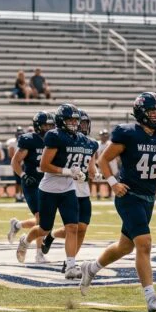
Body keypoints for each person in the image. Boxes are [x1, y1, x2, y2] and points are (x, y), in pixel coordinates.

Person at [80, 92, 156, 312]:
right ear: (141, 113)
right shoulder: (128, 134)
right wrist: (113, 183)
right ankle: (151, 297)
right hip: (128, 196)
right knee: (144, 243)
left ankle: (91, 268)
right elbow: (104, 159)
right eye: (152, 111)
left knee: (125, 246)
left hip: (149, 197)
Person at [27, 104, 86, 279]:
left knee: (72, 227)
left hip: (68, 189)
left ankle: (70, 266)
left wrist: (81, 173)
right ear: (61, 121)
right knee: (44, 229)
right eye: (70, 120)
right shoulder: (55, 136)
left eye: (76, 120)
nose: (74, 123)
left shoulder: (80, 139)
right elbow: (44, 165)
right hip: (49, 189)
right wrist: (68, 172)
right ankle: (25, 240)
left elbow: (76, 163)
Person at [47, 111, 98, 278]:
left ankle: (54, 237)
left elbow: (91, 168)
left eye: (83, 123)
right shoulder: (63, 141)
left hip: (83, 191)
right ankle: (70, 262)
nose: (80, 126)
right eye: (77, 122)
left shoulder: (90, 143)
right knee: (73, 228)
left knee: (82, 228)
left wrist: (95, 174)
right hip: (68, 189)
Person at [9, 112, 55, 264]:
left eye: (51, 125)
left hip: (49, 182)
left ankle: (17, 225)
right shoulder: (30, 140)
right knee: (41, 218)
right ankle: (39, 253)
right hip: (32, 183)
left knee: (44, 220)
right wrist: (23, 176)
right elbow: (15, 161)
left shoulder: (56, 139)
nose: (48, 128)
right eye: (45, 125)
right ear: (37, 126)